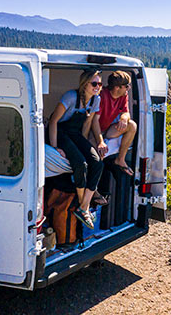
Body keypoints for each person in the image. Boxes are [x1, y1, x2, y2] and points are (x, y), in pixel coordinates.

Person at [48, 70, 107, 229]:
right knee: (81, 164)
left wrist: (85, 145)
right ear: (84, 84)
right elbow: (53, 122)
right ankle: (84, 206)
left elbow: (86, 125)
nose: (97, 87)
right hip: (60, 131)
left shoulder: (96, 100)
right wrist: (55, 148)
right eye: (94, 83)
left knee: (97, 163)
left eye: (100, 84)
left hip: (74, 133)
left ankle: (83, 206)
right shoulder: (71, 97)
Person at [91, 71, 137, 175]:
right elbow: (95, 121)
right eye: (126, 86)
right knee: (97, 158)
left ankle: (120, 160)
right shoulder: (102, 95)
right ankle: (93, 190)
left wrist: (124, 118)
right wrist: (100, 142)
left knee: (132, 126)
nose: (128, 89)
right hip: (94, 131)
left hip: (107, 129)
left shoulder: (123, 95)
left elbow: (126, 113)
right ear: (117, 87)